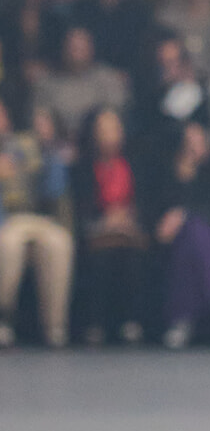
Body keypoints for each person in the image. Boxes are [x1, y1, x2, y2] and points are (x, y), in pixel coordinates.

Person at [150, 120, 210, 348]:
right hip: (176, 239)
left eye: (198, 141)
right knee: (188, 239)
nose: (193, 147)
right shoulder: (171, 171)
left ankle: (180, 320)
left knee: (194, 230)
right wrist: (185, 178)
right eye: (188, 142)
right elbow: (160, 207)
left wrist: (184, 215)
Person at [72, 106, 150, 345]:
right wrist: (106, 220)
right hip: (97, 229)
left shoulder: (136, 163)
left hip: (130, 229)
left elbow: (146, 201)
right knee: (100, 257)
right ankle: (95, 324)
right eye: (104, 128)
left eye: (115, 127)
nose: (110, 133)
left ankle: (132, 322)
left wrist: (128, 218)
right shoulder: (82, 167)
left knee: (133, 256)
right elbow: (81, 207)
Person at [0, 99, 74, 347]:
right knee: (8, 245)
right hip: (8, 219)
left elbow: (54, 195)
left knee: (60, 243)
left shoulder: (36, 149)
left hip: (39, 218)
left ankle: (54, 326)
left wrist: (50, 156)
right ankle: (4, 319)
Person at [31, 25, 129, 145]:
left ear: (91, 47)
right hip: (58, 147)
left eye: (81, 46)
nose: (76, 51)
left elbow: (116, 116)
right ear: (63, 48)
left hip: (99, 146)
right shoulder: (47, 83)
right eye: (72, 46)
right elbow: (40, 115)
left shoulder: (108, 79)